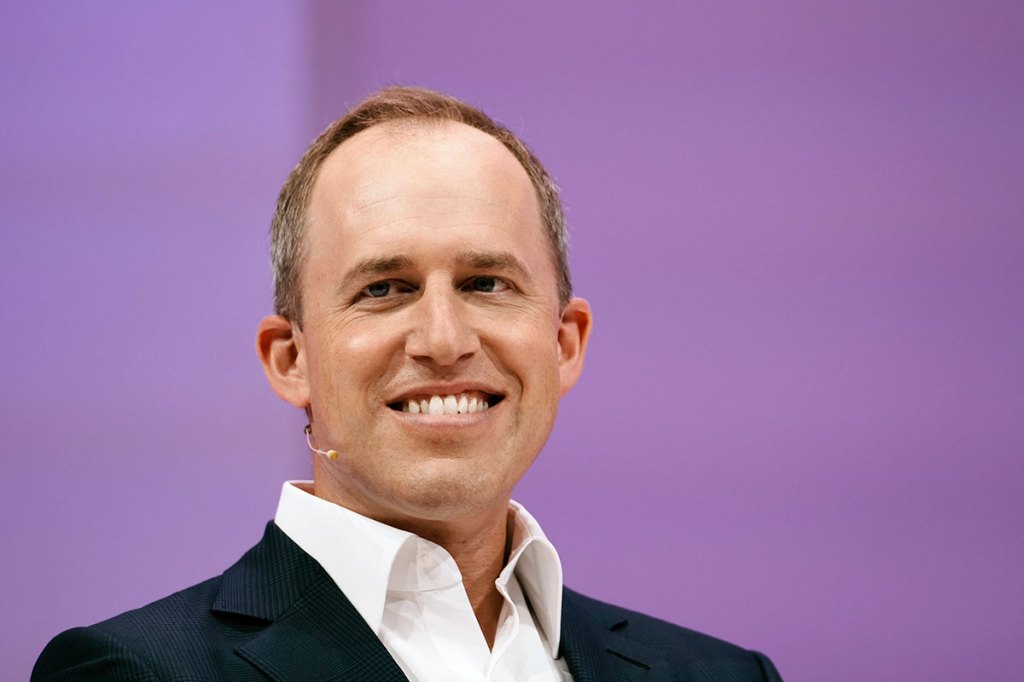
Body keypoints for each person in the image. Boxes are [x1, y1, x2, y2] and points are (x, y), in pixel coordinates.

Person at [33, 87, 782, 681]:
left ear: (564, 344)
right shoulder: (135, 672)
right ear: (289, 359)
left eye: (487, 282)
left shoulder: (722, 673)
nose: (445, 342)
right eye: (384, 289)